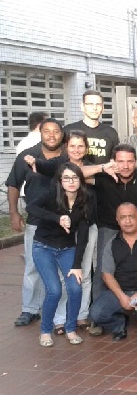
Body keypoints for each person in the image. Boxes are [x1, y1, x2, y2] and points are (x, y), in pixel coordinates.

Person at [27, 162, 93, 347]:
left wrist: (77, 265)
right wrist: (57, 218)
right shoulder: (52, 195)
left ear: (80, 180)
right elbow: (31, 207)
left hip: (67, 248)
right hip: (43, 247)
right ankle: (45, 330)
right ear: (60, 181)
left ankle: (70, 329)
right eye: (66, 178)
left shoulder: (85, 200)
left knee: (75, 288)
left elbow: (83, 236)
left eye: (75, 177)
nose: (71, 182)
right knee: (54, 290)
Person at [6, 118, 64, 327]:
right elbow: (13, 185)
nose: (51, 135)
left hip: (64, 222)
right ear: (40, 133)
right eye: (47, 131)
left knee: (62, 269)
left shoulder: (68, 156)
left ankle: (61, 311)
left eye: (56, 131)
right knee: (33, 266)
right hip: (36, 221)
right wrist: (14, 212)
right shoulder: (28, 155)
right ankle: (30, 309)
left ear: (62, 134)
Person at [89, 144, 137, 336]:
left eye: (130, 161)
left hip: (134, 228)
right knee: (103, 269)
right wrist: (101, 168)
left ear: (136, 162)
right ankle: (98, 318)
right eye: (120, 161)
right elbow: (73, 173)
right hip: (109, 227)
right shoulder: (104, 176)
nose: (125, 166)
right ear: (113, 162)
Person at [89, 203, 137, 343]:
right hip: (120, 290)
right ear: (117, 220)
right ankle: (118, 324)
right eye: (123, 217)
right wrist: (121, 297)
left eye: (131, 216)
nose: (127, 221)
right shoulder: (112, 243)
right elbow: (107, 275)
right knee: (96, 313)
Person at [63, 90, 119, 165]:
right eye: (90, 104)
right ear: (82, 107)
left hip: (103, 172)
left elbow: (115, 160)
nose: (95, 108)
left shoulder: (111, 132)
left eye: (98, 104)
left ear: (103, 108)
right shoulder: (68, 130)